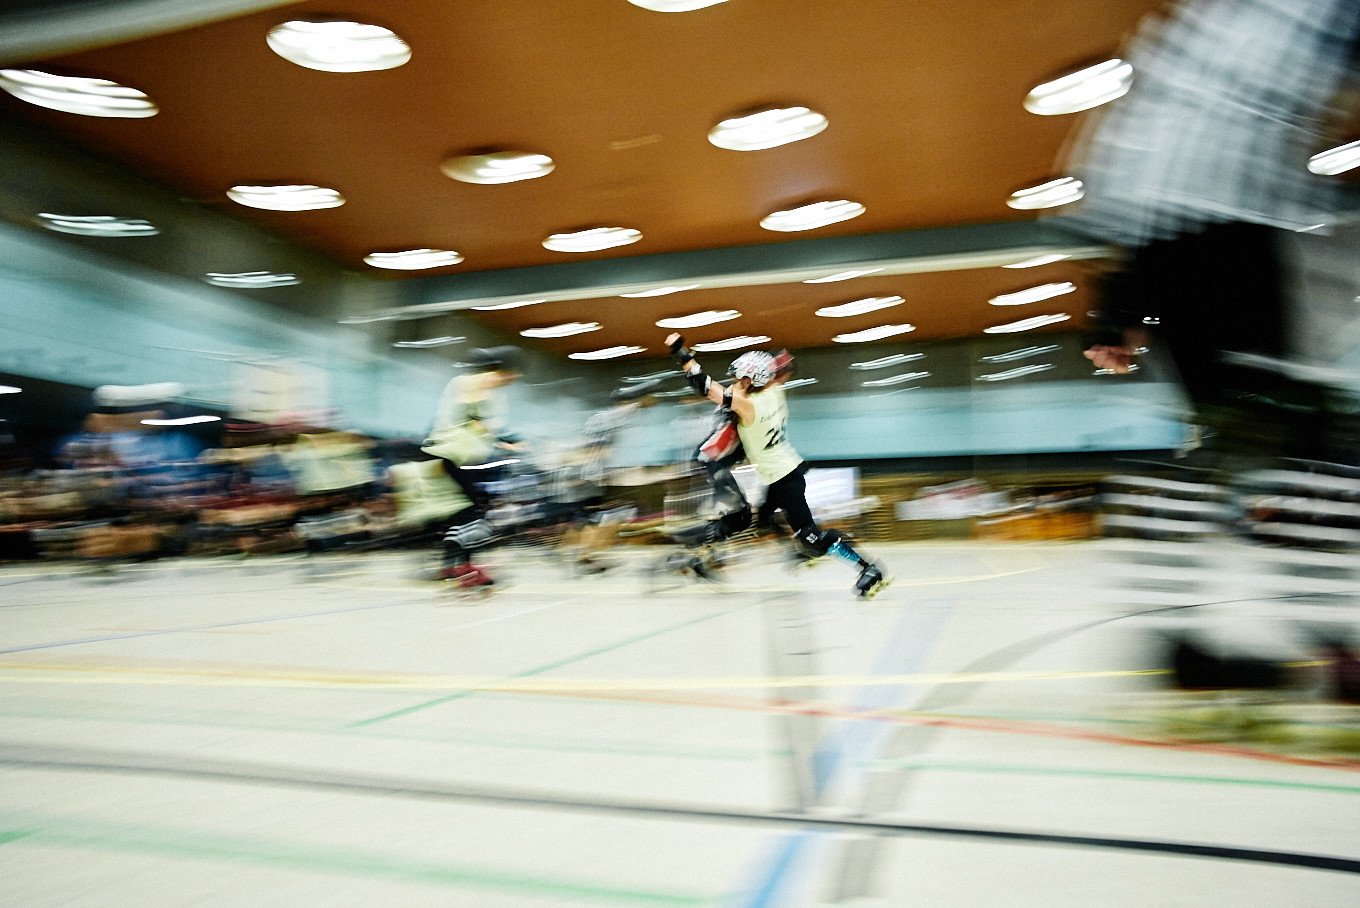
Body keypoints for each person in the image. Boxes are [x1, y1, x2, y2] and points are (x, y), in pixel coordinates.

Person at [665, 332, 890, 598]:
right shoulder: (774, 393)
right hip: (783, 471)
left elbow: (706, 387)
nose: (735, 384)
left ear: (751, 381)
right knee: (761, 520)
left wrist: (682, 354)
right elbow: (769, 376)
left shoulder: (748, 407)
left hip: (785, 480)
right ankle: (798, 551)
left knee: (811, 537)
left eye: (740, 379)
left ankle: (868, 568)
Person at [420, 346, 523, 587]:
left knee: (461, 512)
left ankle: (450, 566)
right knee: (473, 512)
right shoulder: (481, 382)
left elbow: (470, 419)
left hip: (446, 454)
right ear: (504, 370)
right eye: (513, 372)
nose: (514, 378)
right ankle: (464, 566)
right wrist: (508, 438)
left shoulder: (465, 382)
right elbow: (478, 418)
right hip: (452, 454)